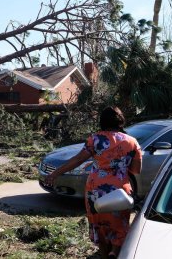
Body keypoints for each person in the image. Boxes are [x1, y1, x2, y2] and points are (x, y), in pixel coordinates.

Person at [44, 106, 141, 259]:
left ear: (102, 121)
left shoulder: (95, 139)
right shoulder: (132, 142)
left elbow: (77, 160)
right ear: (121, 121)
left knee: (99, 224)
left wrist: (55, 174)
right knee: (120, 224)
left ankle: (104, 254)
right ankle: (114, 252)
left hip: (96, 189)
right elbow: (136, 170)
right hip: (120, 189)